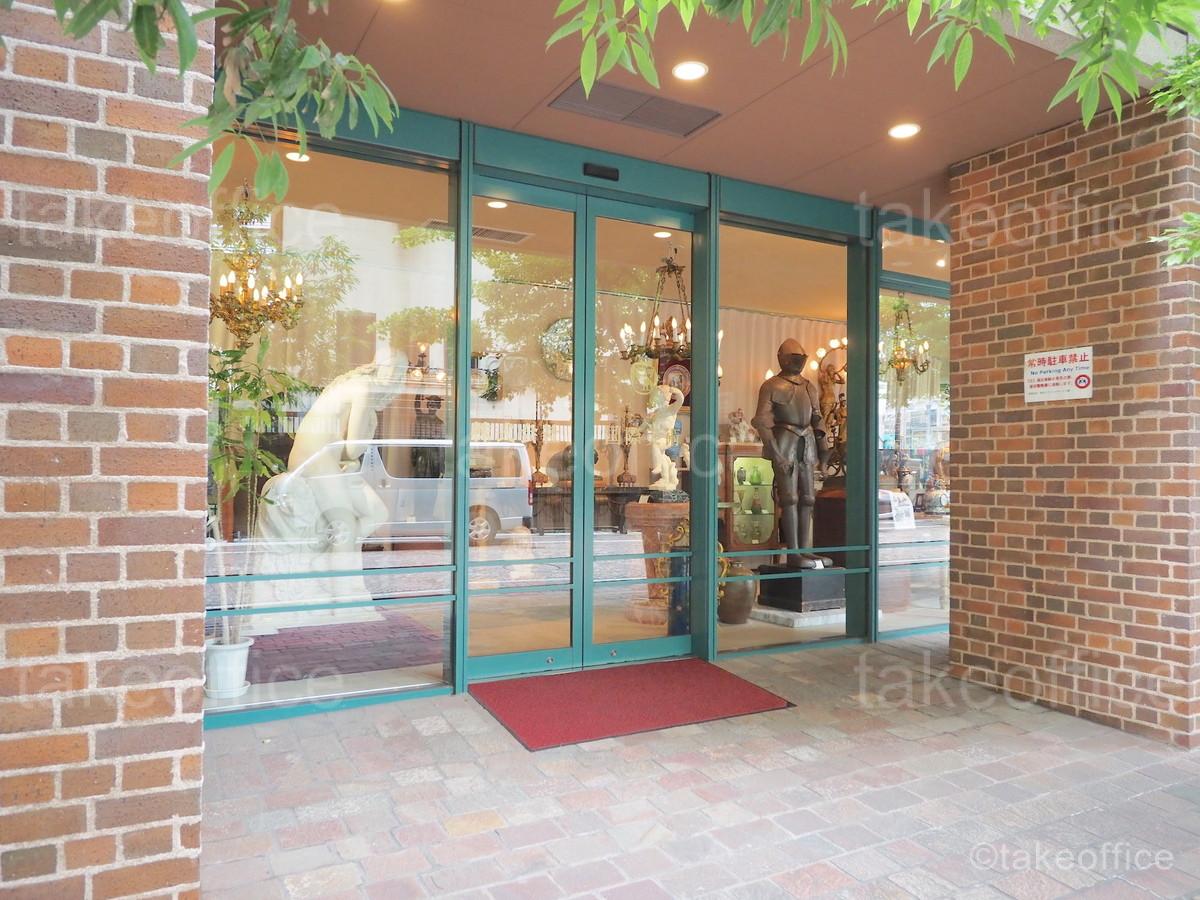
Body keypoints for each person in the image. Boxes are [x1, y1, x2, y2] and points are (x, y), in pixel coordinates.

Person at [751, 339, 832, 569]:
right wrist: (775, 453)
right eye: (793, 357)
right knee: (789, 498)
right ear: (782, 358)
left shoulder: (809, 387)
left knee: (808, 498)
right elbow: (762, 421)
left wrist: (824, 453)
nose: (797, 362)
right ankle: (794, 552)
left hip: (807, 441)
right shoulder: (771, 386)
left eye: (800, 358)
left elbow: (817, 419)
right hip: (784, 439)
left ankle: (805, 550)